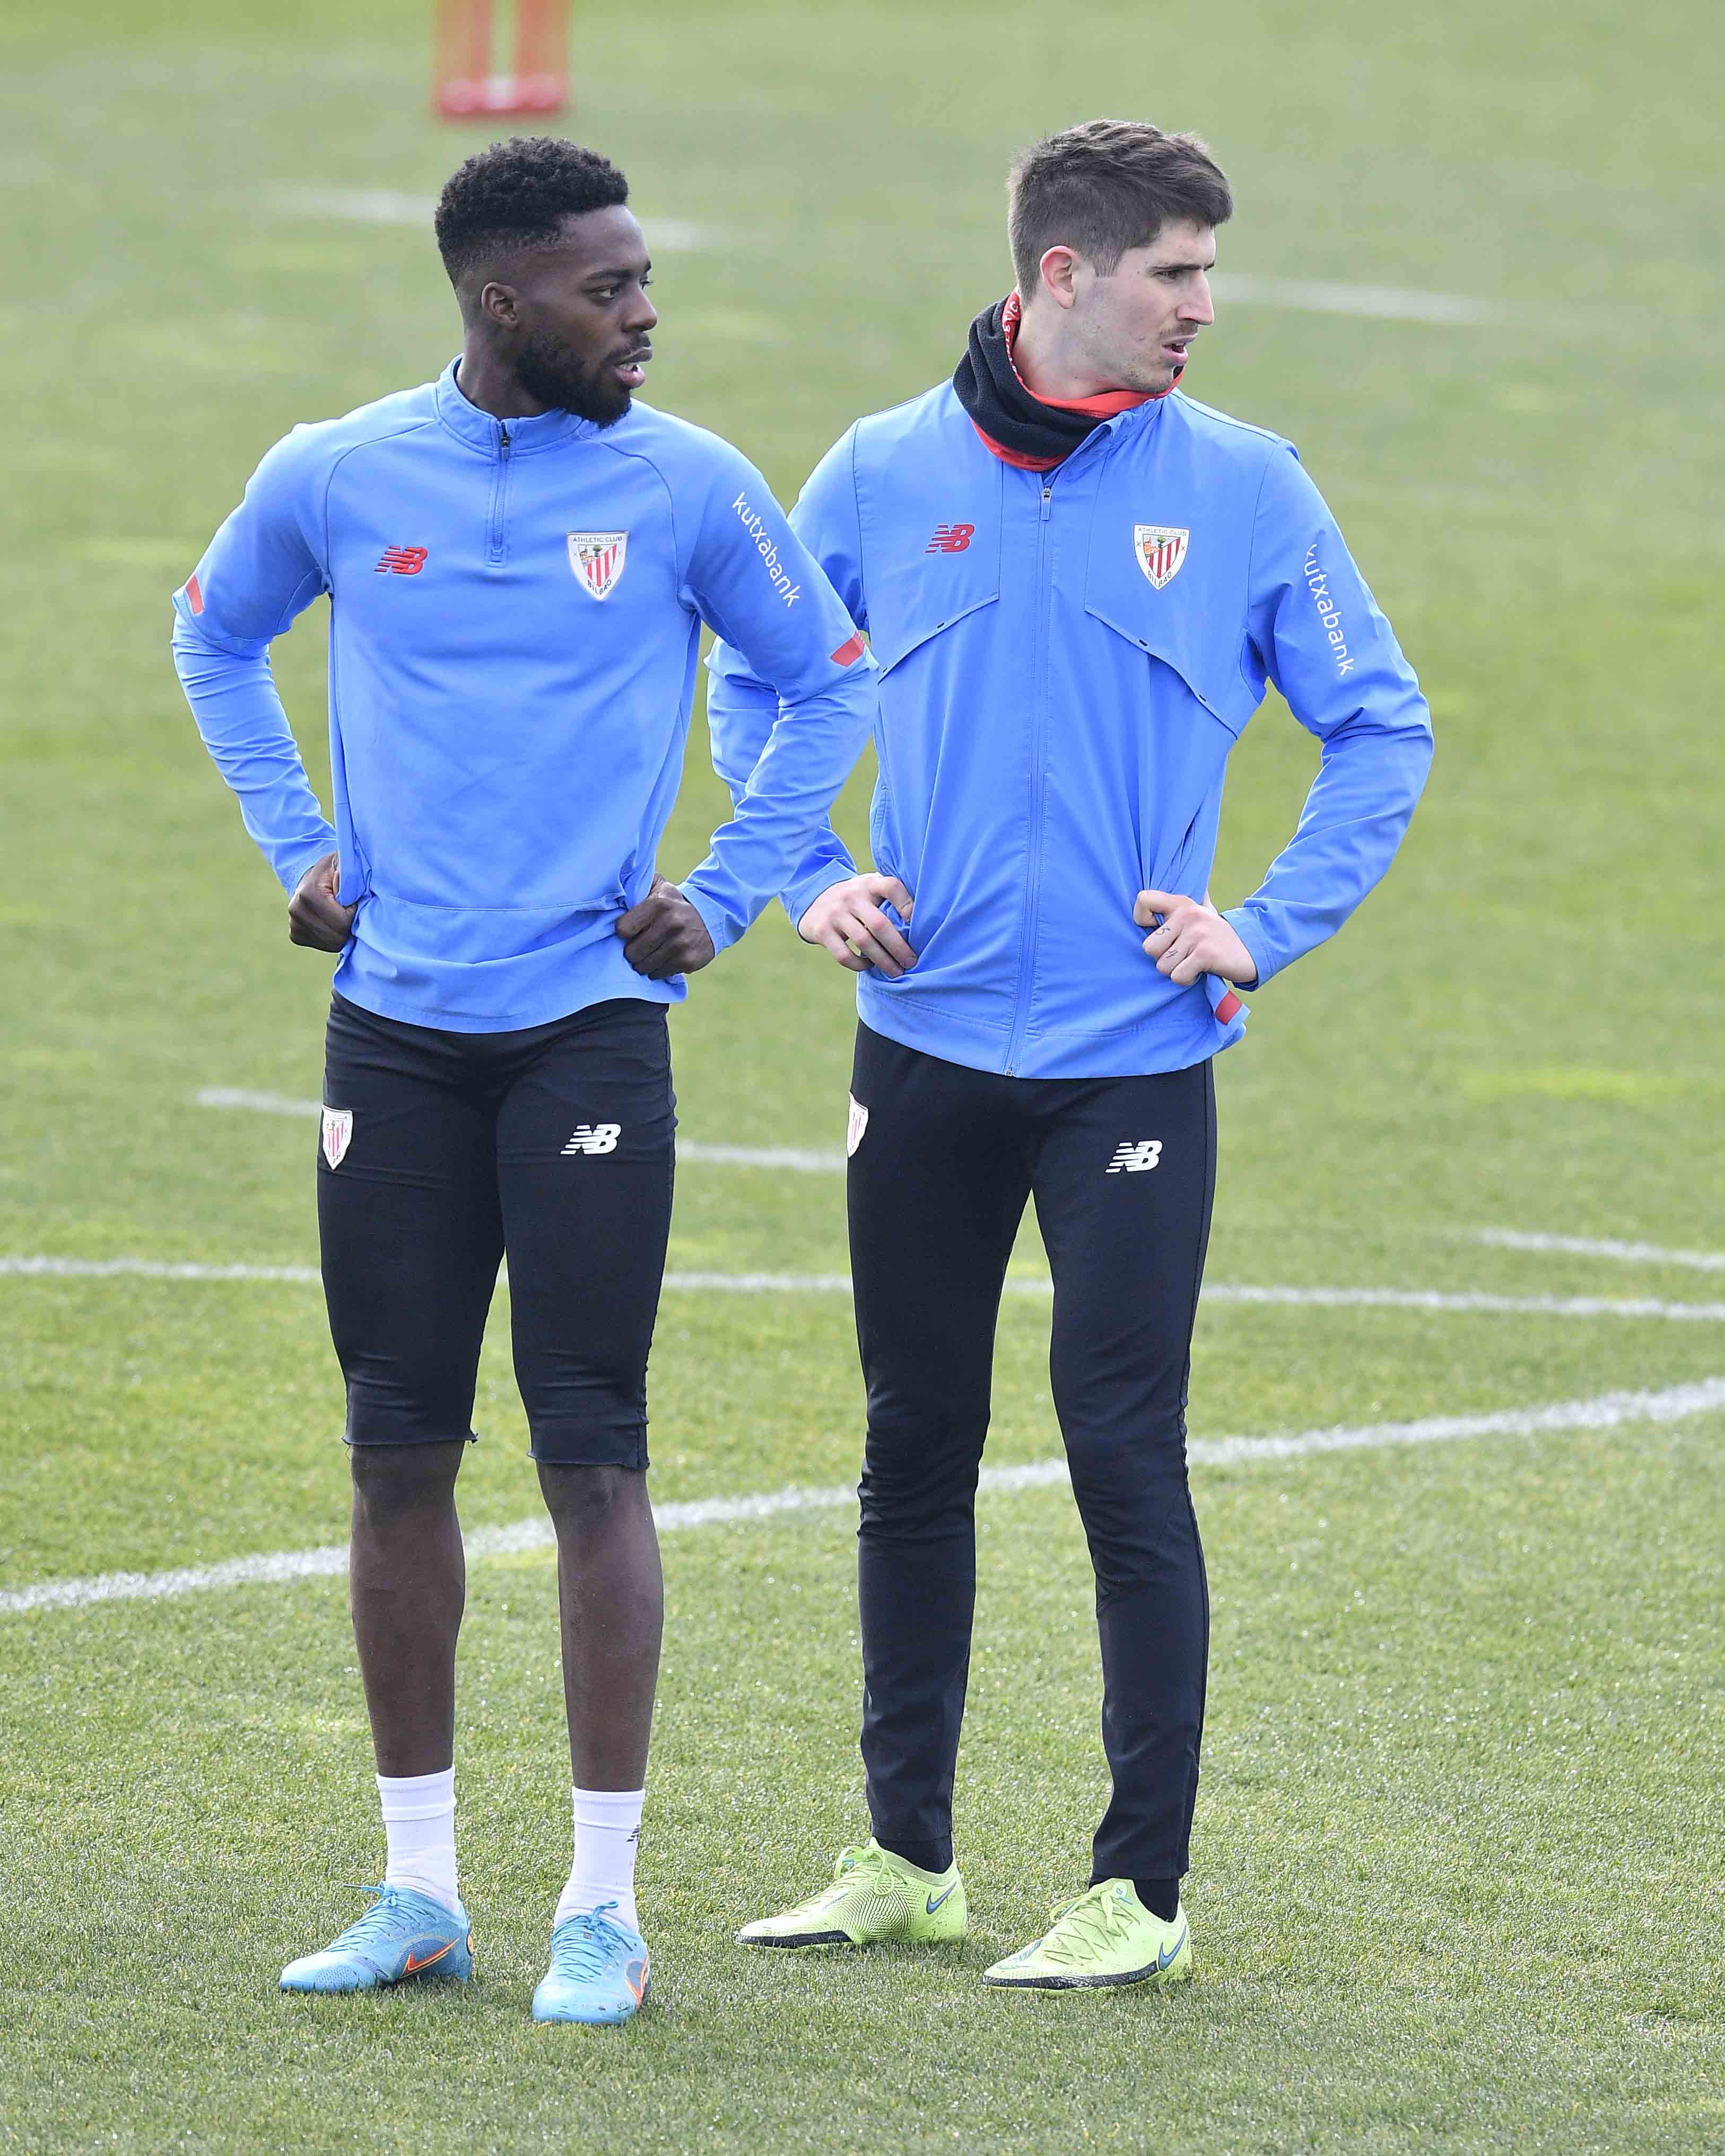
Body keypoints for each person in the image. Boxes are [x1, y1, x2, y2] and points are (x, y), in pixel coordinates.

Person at [709, 119, 1433, 1992]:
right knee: (908, 1452)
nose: (1204, 305)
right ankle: (902, 1859)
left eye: (1207, 272)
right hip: (922, 1052)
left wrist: (1258, 923)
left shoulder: (1251, 488)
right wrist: (801, 873)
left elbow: (1382, 728)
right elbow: (763, 680)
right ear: (1061, 276)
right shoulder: (877, 470)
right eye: (1173, 273)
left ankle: (1138, 1898)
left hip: (1128, 1065)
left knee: (1122, 1456)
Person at [171, 135, 875, 2025]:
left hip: (586, 1035)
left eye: (645, 281)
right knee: (394, 1452)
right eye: (609, 288)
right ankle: (416, 1893)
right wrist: (294, 843)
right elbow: (214, 631)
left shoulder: (687, 484)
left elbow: (830, 681)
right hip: (391, 1032)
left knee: (591, 1452)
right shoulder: (334, 470)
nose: (645, 313)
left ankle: (603, 1905)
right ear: (502, 302)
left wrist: (727, 887)